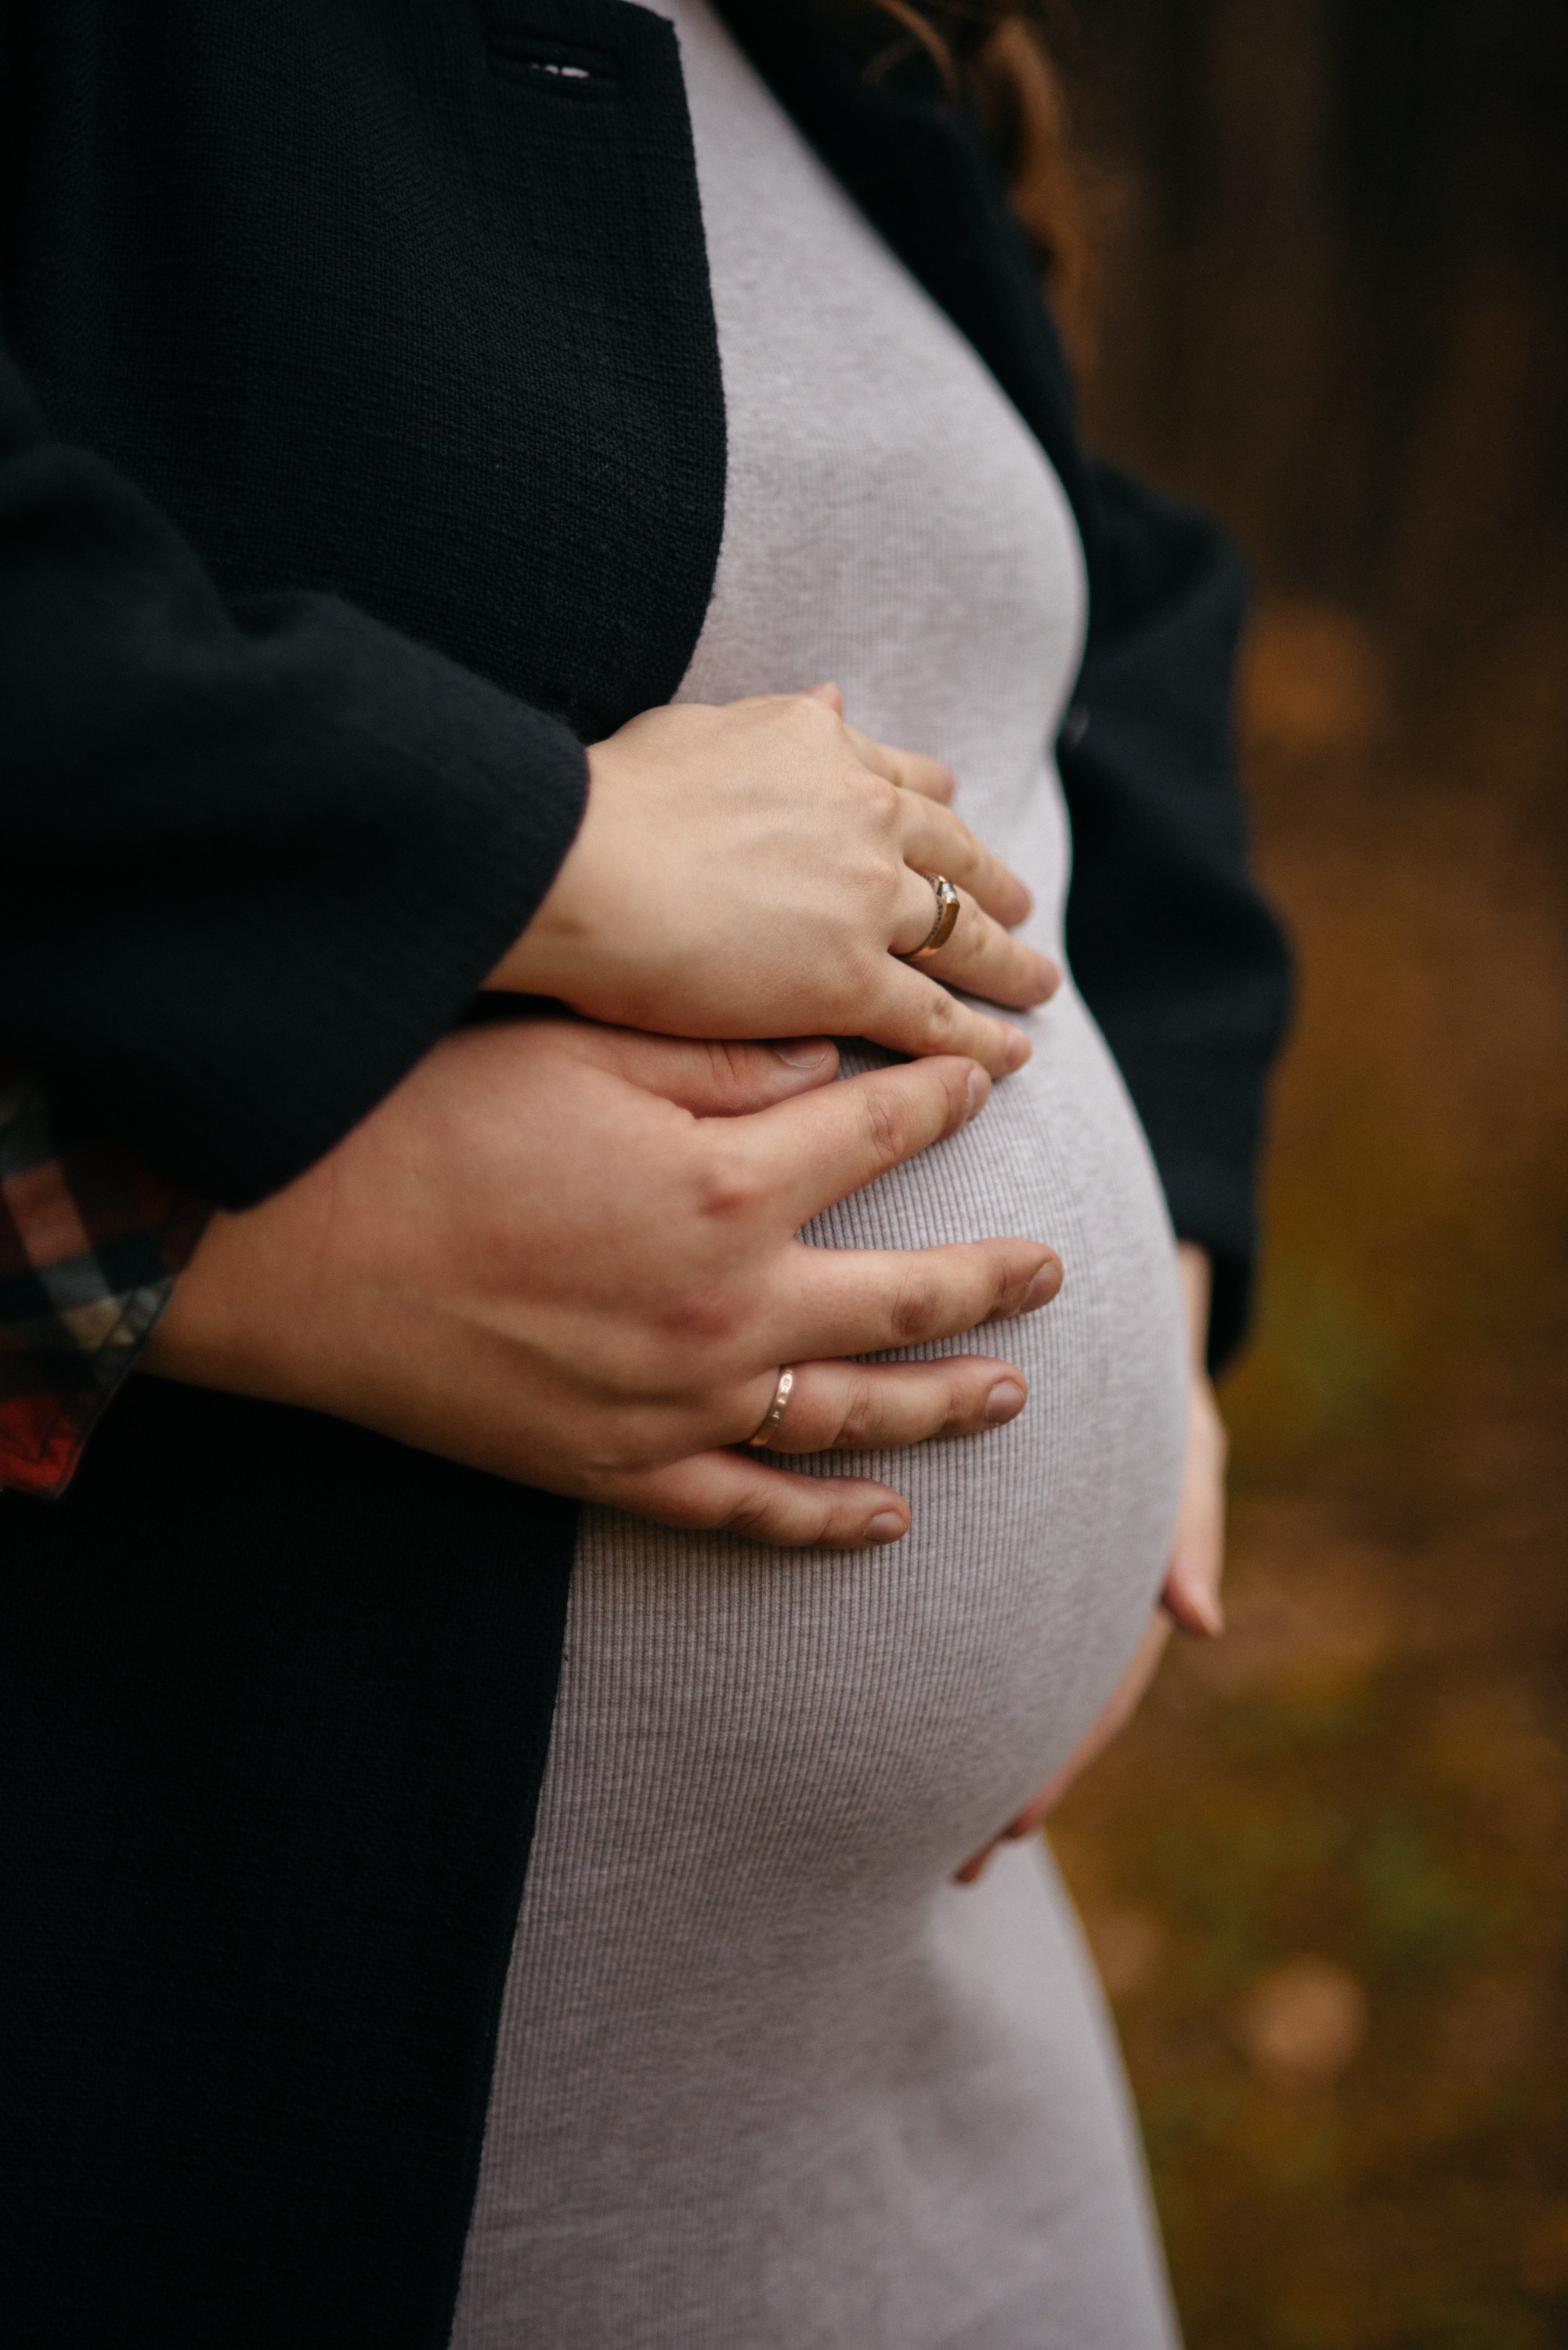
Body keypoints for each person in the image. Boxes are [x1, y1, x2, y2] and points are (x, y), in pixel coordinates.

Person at [0, 0, 1289, 2342]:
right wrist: (524, 869)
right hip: (280, 2136)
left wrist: (1163, 1275)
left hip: (935, 2096)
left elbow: (1116, 610)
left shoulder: (841, 55)